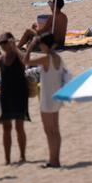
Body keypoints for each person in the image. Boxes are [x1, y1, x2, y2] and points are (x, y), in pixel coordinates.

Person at [25, 34, 69, 168]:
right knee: (55, 130)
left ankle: (53, 160)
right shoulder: (58, 58)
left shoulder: (46, 58)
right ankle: (55, 159)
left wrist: (31, 46)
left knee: (49, 131)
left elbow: (25, 61)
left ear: (44, 45)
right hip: (56, 98)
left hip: (47, 100)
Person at [0, 33, 29, 164]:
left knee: (19, 126)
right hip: (5, 96)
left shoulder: (17, 55)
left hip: (19, 94)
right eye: (1, 43)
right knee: (6, 128)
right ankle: (7, 159)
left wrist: (15, 47)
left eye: (4, 42)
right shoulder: (1, 58)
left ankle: (22, 156)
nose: (3, 45)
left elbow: (26, 61)